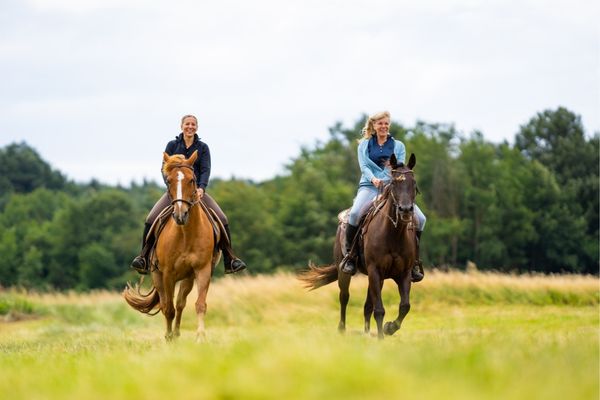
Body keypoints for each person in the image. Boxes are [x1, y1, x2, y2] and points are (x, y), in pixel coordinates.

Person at [130, 114, 247, 274]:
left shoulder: (203, 147)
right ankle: (143, 257)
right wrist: (172, 187)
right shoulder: (171, 145)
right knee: (151, 219)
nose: (190, 127)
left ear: (196, 128)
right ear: (181, 126)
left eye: (193, 124)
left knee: (222, 218)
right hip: (175, 193)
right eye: (187, 124)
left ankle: (230, 259)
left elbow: (206, 170)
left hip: (196, 192)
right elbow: (164, 170)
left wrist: (201, 188)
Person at [340, 111, 426, 281]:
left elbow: (399, 168)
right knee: (356, 213)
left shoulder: (398, 146)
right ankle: (350, 256)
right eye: (380, 124)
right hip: (369, 186)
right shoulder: (364, 145)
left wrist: (388, 181)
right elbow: (364, 166)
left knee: (421, 219)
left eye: (386, 124)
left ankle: (414, 261)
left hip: (393, 188)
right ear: (373, 125)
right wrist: (374, 179)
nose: (384, 127)